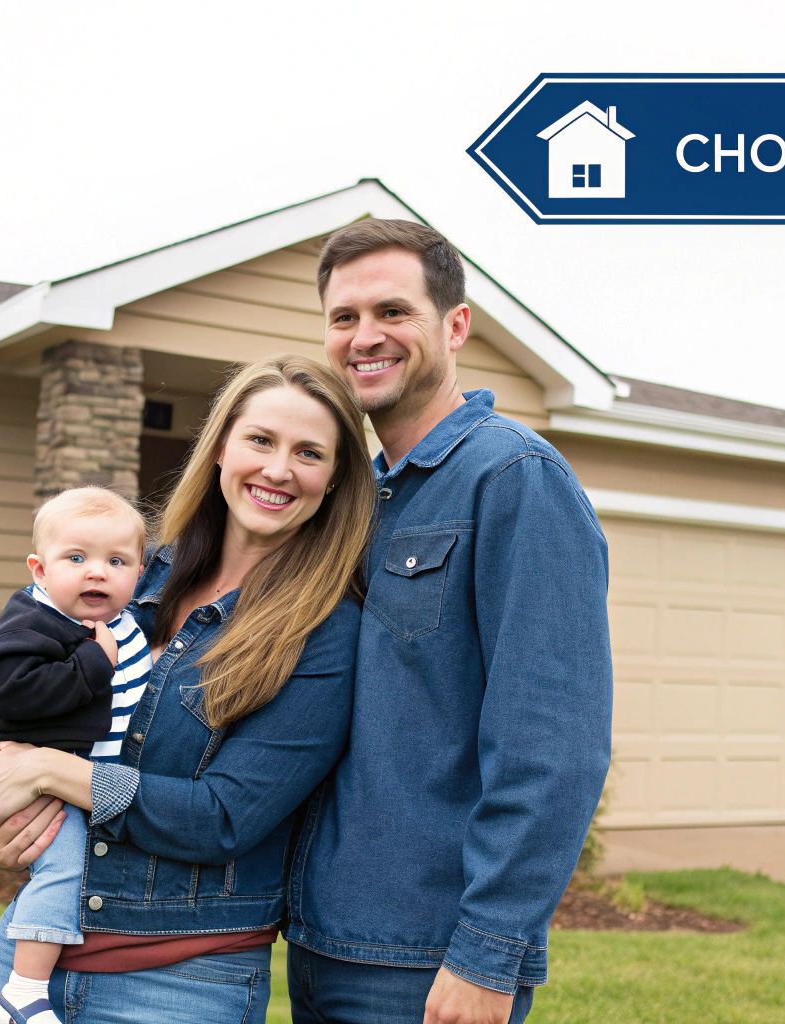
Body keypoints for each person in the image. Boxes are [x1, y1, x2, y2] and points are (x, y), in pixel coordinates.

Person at [0, 354, 374, 1024]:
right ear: (219, 450)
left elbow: (225, 817)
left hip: (179, 984)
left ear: (333, 480)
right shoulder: (128, 576)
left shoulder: (325, 632)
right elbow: (4, 711)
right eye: (261, 440)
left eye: (309, 453)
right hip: (23, 964)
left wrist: (50, 771)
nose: (277, 469)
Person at [284, 219, 613, 1024]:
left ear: (454, 325)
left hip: (426, 962)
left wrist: (488, 956)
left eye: (393, 312)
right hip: (321, 941)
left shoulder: (514, 480)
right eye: (343, 318)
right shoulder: (354, 497)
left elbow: (555, 746)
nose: (365, 337)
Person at [0, 486, 154, 1024]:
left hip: (53, 772)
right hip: (7, 765)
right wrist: (92, 663)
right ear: (39, 570)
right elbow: (13, 690)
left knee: (72, 869)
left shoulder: (121, 625)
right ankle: (23, 991)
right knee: (65, 868)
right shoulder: (33, 621)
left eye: (116, 561)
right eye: (77, 558)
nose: (97, 573)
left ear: (139, 573)